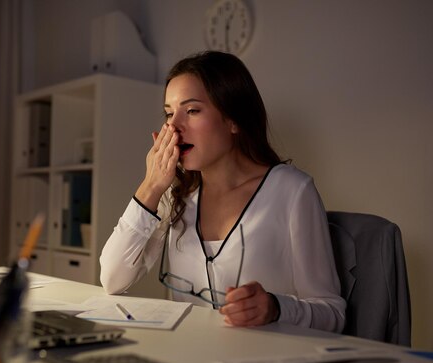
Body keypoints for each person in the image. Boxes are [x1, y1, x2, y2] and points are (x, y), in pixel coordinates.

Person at [100, 51, 345, 333]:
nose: (173, 126)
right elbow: (112, 279)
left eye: (191, 111)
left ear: (233, 120)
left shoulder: (293, 190)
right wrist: (151, 185)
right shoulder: (174, 194)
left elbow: (333, 313)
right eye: (169, 113)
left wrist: (276, 308)